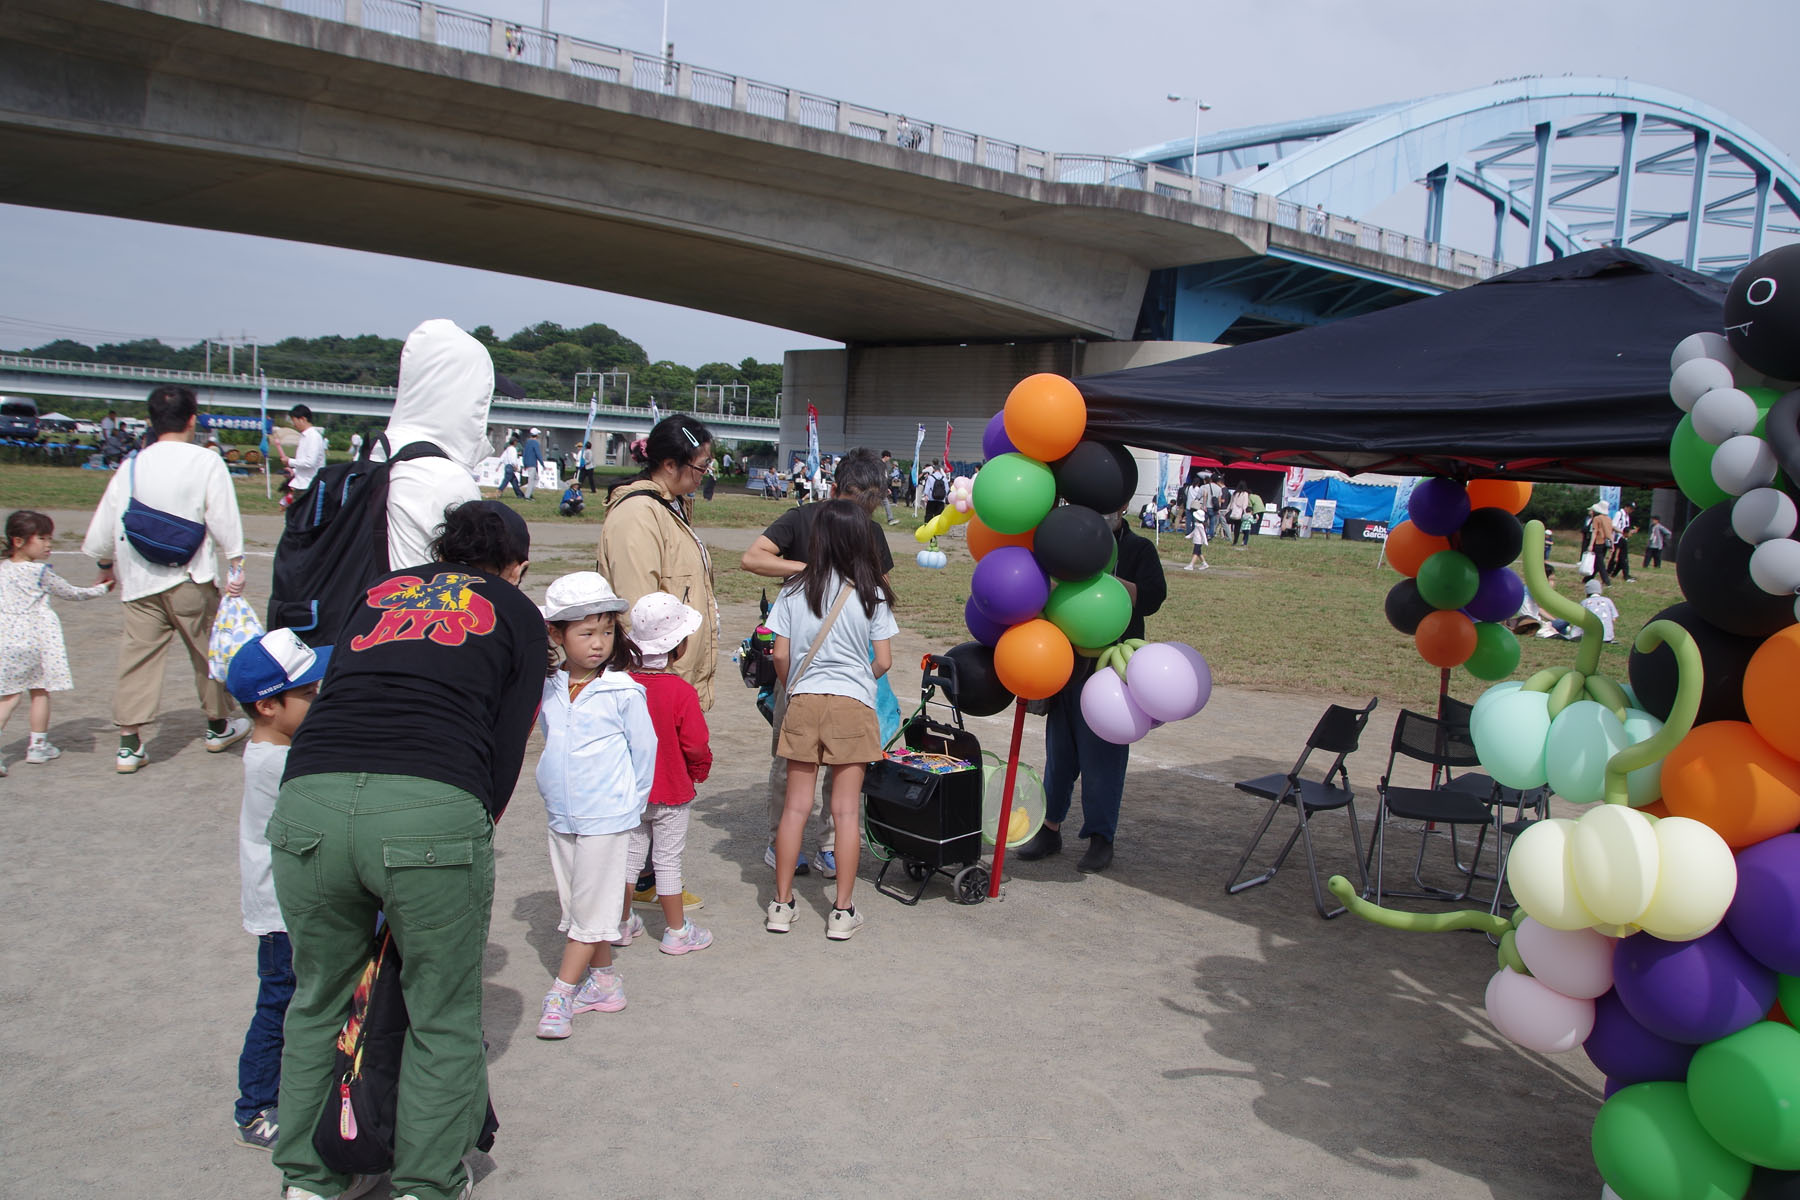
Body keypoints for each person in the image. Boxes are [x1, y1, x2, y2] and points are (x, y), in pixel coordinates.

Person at [268, 500, 545, 1200]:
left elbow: (341, 689)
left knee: (318, 996)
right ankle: (425, 1182)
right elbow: (505, 748)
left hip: (312, 796)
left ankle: (308, 1178)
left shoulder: (377, 592)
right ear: (514, 565)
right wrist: (465, 834)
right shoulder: (513, 610)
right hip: (431, 801)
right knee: (441, 1010)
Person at [743, 448, 900, 879]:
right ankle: (783, 844)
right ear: (834, 490)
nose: (858, 520)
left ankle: (828, 845)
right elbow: (752, 557)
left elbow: (881, 588)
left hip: (840, 667)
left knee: (840, 766)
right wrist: (812, 569)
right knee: (789, 765)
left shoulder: (871, 531)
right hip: (799, 668)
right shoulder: (799, 518)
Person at [82, 384, 249, 774]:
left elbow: (108, 522)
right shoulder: (206, 462)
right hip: (190, 576)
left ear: (151, 421)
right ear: (193, 419)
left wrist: (105, 564)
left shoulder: (133, 464)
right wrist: (236, 565)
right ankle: (217, 725)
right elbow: (223, 518)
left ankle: (129, 744)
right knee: (207, 655)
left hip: (140, 581)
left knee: (137, 659)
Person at [765, 500, 897, 941]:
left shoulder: (793, 589)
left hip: (802, 700)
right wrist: (859, 678)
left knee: (795, 808)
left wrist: (794, 685)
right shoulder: (872, 594)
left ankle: (781, 905)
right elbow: (883, 660)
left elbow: (779, 653)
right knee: (844, 813)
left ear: (819, 539)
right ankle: (842, 911)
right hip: (852, 704)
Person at [533, 572, 657, 1039]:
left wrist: (631, 802)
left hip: (608, 814)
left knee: (589, 909)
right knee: (581, 904)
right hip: (563, 812)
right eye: (585, 633)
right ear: (557, 634)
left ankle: (561, 993)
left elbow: (643, 751)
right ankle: (604, 981)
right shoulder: (548, 687)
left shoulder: (624, 689)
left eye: (607, 631)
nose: (598, 643)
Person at [223, 627, 332, 1153]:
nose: (319, 699)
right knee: (280, 1006)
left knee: (305, 1001)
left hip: (296, 906)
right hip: (283, 914)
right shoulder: (278, 764)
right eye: (308, 694)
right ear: (268, 706)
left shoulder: (282, 747)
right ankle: (255, 1107)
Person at [1015, 503, 1167, 873]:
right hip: (1066, 663)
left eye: (1110, 506)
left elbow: (1153, 596)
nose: (1102, 512)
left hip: (1111, 672)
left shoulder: (1138, 549)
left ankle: (1101, 837)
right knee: (1060, 753)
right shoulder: (1065, 543)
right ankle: (1050, 828)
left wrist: (1104, 585)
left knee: (1103, 760)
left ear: (1125, 505)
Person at [617, 591, 714, 955]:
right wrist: (700, 770)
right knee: (668, 861)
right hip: (672, 791)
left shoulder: (623, 685)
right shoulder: (681, 691)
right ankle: (677, 931)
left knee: (629, 858)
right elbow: (695, 743)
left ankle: (621, 923)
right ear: (680, 647)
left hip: (631, 791)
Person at [371, 319, 495, 571]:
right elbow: (472, 579)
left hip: (362, 605)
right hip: (412, 608)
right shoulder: (445, 478)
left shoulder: (378, 452)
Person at [0, 510, 111, 774]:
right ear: (19, 541)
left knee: (15, 695)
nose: (49, 544)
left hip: (6, 639)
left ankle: (38, 745)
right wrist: (101, 589)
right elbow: (71, 593)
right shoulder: (39, 572)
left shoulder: (3, 569)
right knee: (35, 692)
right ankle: (37, 746)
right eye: (42, 538)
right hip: (33, 642)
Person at [275, 405, 327, 504]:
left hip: (309, 486)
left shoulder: (313, 437)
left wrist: (289, 461)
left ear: (302, 419)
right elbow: (303, 463)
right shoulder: (304, 436)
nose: (293, 424)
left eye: (294, 420)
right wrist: (293, 471)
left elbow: (310, 462)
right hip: (300, 484)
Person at [1552, 576, 1619, 642]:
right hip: (1607, 637)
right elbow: (1614, 619)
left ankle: (1553, 627)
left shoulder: (1585, 602)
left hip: (1590, 637)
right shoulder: (1608, 601)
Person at [1586, 502, 1615, 586]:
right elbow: (1610, 532)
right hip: (1606, 542)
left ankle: (1607, 581)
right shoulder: (1609, 519)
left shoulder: (1597, 519)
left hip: (1598, 542)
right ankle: (1587, 578)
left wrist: (1591, 544)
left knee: (1600, 563)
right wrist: (1612, 544)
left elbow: (1595, 532)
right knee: (1597, 563)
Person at [1609, 502, 1636, 582]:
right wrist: (1622, 532)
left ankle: (1615, 572)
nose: (1631, 511)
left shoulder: (1627, 516)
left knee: (1622, 558)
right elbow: (1613, 526)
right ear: (1626, 507)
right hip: (1618, 538)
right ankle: (1610, 571)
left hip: (1624, 538)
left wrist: (1630, 532)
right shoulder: (1619, 514)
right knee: (1616, 556)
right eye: (1630, 509)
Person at [521, 428, 544, 500]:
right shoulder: (535, 443)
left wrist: (524, 464)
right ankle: (527, 496)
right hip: (532, 464)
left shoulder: (527, 442)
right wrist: (542, 464)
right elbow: (538, 454)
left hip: (528, 463)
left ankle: (529, 493)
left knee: (536, 478)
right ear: (536, 435)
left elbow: (524, 453)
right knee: (531, 480)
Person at [880, 451, 901, 525]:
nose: (889, 459)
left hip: (880, 486)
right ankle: (890, 519)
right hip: (880, 486)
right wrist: (885, 487)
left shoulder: (880, 464)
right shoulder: (881, 465)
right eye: (889, 457)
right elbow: (882, 477)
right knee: (886, 502)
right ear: (886, 456)